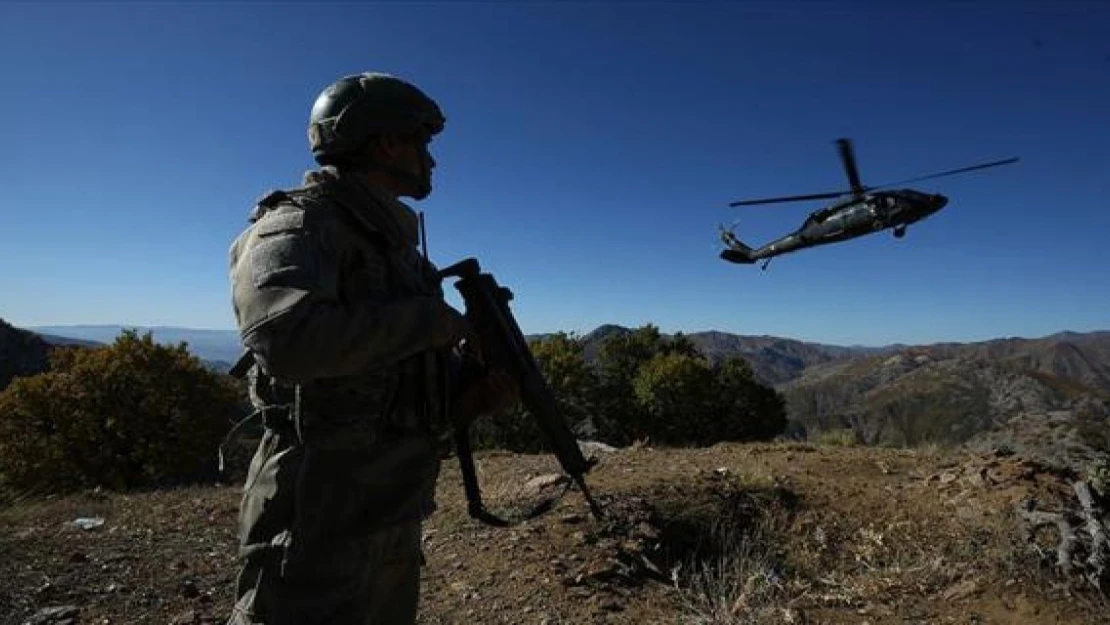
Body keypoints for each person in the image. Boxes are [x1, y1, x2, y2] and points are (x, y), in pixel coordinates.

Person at [225, 72, 518, 625]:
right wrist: (430, 321)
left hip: (389, 510)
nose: (431, 161)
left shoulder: (397, 252)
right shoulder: (295, 226)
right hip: (314, 518)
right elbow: (289, 343)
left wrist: (469, 396)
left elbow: (390, 385)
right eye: (421, 143)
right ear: (386, 142)